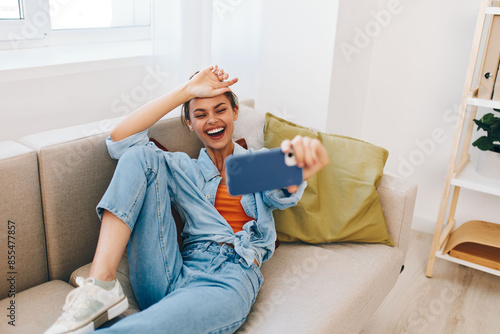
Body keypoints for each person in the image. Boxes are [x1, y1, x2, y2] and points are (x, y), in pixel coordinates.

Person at [45, 65, 329, 334]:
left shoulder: (254, 165)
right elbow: (121, 140)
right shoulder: (184, 169)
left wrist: (296, 167)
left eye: (220, 110)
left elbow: (283, 193)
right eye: (200, 114)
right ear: (190, 124)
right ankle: (100, 286)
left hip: (230, 275)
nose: (213, 120)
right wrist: (187, 90)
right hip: (169, 271)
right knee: (140, 155)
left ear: (236, 112)